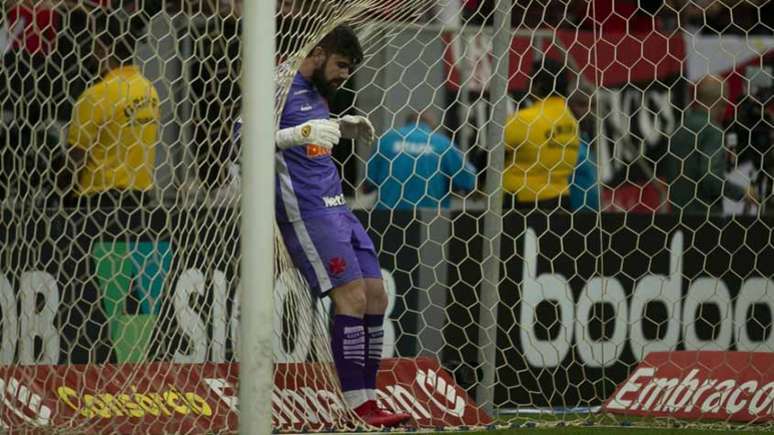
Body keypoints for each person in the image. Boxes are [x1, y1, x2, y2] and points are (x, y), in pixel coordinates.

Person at [235, 25, 411, 427]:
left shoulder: (318, 92)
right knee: (350, 297)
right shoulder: (277, 81)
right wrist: (297, 134)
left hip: (338, 206)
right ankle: (356, 407)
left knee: (376, 296)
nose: (343, 76)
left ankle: (369, 400)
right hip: (307, 211)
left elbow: (312, 136)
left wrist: (340, 126)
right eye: (341, 66)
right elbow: (240, 140)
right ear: (317, 52)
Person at [64, 11, 159, 208]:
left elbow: (76, 159)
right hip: (140, 200)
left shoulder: (96, 95)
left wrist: (60, 196)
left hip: (97, 202)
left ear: (102, 48)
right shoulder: (149, 90)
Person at [664, 75, 757, 216]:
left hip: (677, 218)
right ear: (721, 102)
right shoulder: (712, 131)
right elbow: (710, 178)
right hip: (706, 220)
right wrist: (742, 193)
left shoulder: (679, 128)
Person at [503, 58, 580, 211]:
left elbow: (488, 154)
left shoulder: (524, 119)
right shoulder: (571, 120)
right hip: (562, 202)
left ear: (537, 85)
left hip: (523, 202)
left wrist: (479, 185)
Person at [366, 112, 476, 209]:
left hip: (387, 216)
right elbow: (468, 180)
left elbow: (368, 184)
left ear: (407, 123)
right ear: (432, 125)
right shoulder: (442, 143)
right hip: (432, 218)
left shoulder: (386, 140)